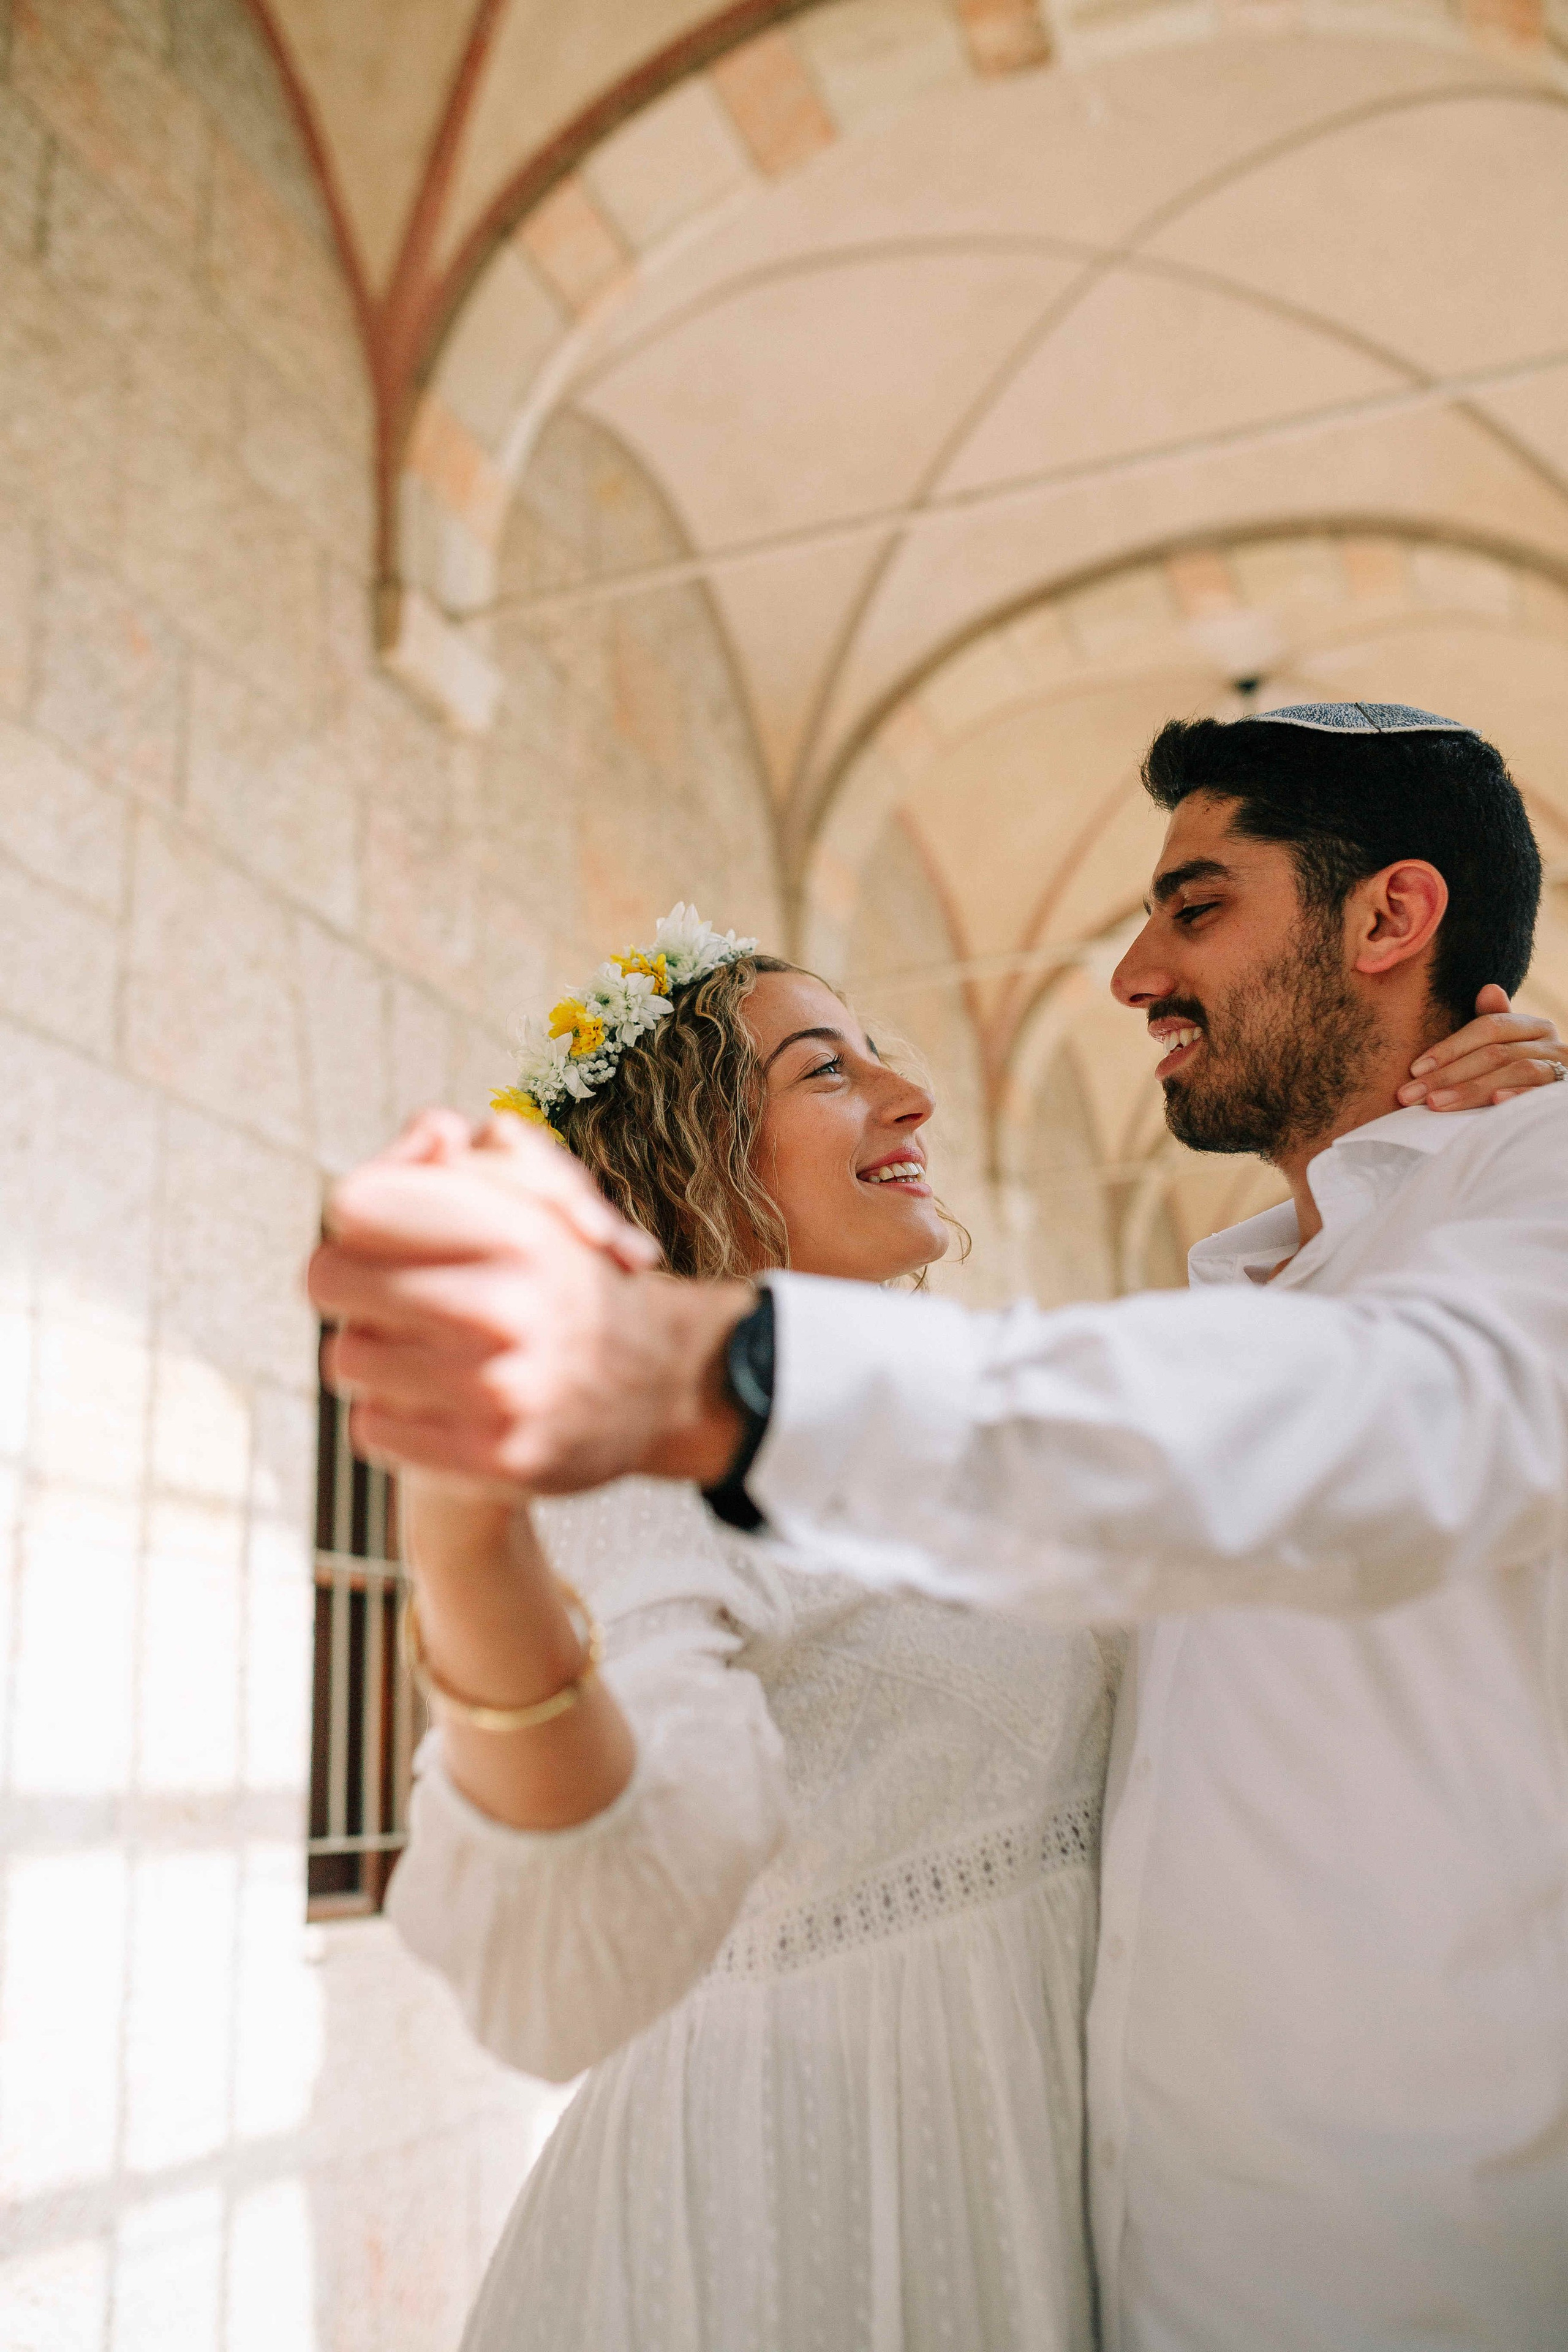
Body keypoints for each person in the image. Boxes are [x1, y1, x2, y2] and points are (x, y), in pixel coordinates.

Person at [310, 705, 1568, 2352]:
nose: (1126, 977)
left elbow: (1404, 1407)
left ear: (1392, 918)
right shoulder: (667, 1471)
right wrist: (475, 1547)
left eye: (1195, 907)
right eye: (825, 1066)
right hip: (807, 2214)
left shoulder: (1466, 1223)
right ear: (695, 1159)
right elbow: (592, 1925)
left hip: (1257, 2227)